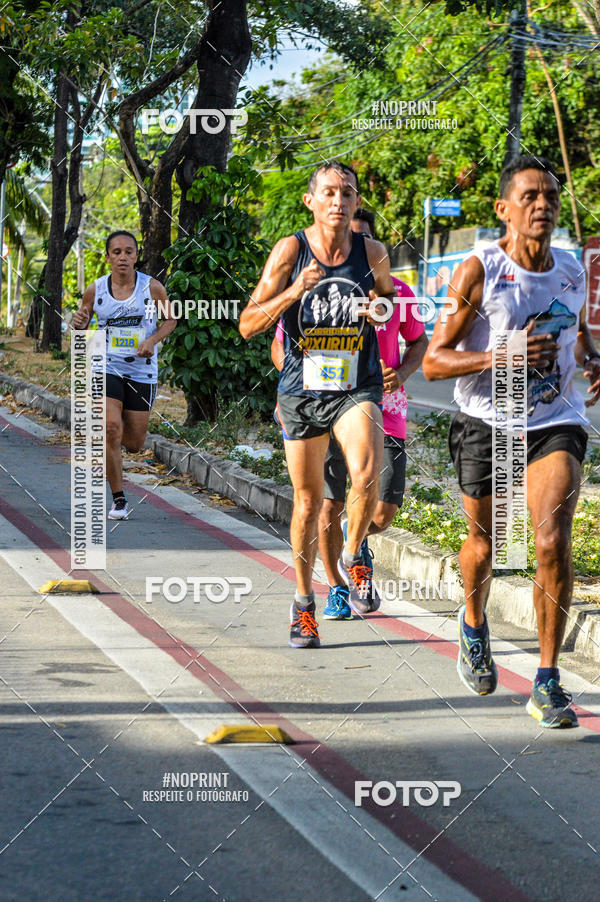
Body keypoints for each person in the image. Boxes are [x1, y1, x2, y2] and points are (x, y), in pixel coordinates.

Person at [423, 155, 600, 728]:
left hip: (554, 420)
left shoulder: (571, 267)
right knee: (487, 543)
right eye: (529, 196)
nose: (543, 204)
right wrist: (503, 353)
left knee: (549, 539)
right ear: (504, 209)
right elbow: (434, 361)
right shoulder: (479, 270)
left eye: (550, 195)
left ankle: (547, 681)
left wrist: (592, 359)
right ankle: (474, 621)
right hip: (487, 422)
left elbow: (575, 331)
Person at [239, 161, 396, 648]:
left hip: (356, 385)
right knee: (308, 504)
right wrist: (294, 290)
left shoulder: (372, 251)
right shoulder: (291, 250)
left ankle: (351, 554)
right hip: (302, 391)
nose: (338, 201)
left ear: (356, 202)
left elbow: (388, 302)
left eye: (347, 193)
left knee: (366, 474)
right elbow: (248, 324)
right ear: (310, 201)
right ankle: (304, 604)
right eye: (328, 192)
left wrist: (378, 310)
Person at [271, 209, 428, 620]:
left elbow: (419, 341)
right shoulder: (315, 287)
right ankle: (338, 587)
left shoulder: (397, 294)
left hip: (382, 410)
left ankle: (353, 538)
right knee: (325, 506)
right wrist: (301, 376)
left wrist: (402, 373)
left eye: (360, 244)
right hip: (321, 406)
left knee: (382, 510)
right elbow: (278, 344)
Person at [73, 231, 177, 520]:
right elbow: (81, 326)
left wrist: (152, 340)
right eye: (116, 252)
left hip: (141, 369)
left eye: (129, 252)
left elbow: (170, 320)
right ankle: (119, 499)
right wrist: (79, 323)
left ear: (136, 256)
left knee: (133, 443)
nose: (123, 257)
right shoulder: (95, 290)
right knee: (110, 429)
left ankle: (112, 453)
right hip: (106, 365)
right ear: (108, 257)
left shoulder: (152, 288)